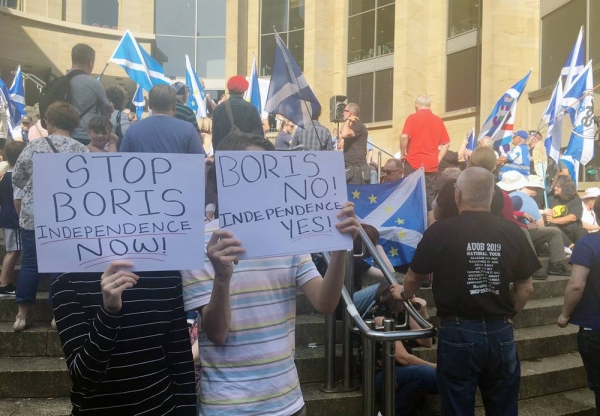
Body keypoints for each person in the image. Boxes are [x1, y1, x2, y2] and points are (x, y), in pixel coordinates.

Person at [182, 132, 360, 416]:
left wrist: (339, 248)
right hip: (228, 407)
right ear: (225, 175)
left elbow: (325, 303)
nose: (262, 179)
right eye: (252, 168)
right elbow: (216, 333)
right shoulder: (200, 243)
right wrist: (222, 277)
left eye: (267, 168)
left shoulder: (287, 236)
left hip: (288, 402)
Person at [393, 167, 539, 415]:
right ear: (492, 195)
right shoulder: (513, 231)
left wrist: (404, 295)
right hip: (500, 330)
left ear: (457, 194)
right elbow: (526, 288)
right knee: (504, 406)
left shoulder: (440, 231)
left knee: (458, 407)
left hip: (458, 331)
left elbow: (413, 277)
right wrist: (508, 317)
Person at [52, 260, 197, 415]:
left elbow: (181, 362)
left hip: (162, 408)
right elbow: (84, 379)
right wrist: (109, 313)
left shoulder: (167, 276)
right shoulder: (67, 282)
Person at [12, 102, 89, 331]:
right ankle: (58, 314)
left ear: (49, 121)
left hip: (33, 216)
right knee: (60, 264)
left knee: (29, 264)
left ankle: (21, 315)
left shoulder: (33, 147)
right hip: (66, 217)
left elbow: (17, 178)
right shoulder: (80, 150)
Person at [360, 283, 437, 416]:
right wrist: (434, 366)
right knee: (426, 374)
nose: (412, 296)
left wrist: (423, 312)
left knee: (443, 380)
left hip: (401, 371)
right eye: (408, 293)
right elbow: (403, 358)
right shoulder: (379, 314)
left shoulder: (403, 311)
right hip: (378, 374)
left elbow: (427, 342)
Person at [557, 195, 600, 412]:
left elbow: (576, 284)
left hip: (595, 326)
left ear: (595, 214)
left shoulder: (588, 244)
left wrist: (565, 315)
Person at [497, 171, 570, 277]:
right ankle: (534, 267)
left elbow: (507, 212)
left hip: (506, 229)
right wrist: (527, 226)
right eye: (538, 188)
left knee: (550, 231)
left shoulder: (505, 195)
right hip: (510, 231)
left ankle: (553, 264)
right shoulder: (513, 197)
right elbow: (509, 219)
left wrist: (521, 213)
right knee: (526, 232)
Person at [119, 85, 205, 154]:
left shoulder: (133, 129)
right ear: (174, 106)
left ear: (149, 105)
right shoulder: (188, 129)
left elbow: (122, 162)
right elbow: (200, 161)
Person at [399, 95, 450, 208]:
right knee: (429, 196)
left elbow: (404, 137)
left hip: (413, 162)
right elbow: (446, 143)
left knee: (410, 194)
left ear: (417, 105)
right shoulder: (438, 120)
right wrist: (438, 159)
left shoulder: (412, 118)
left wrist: (403, 153)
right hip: (431, 165)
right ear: (429, 106)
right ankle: (428, 222)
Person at [68, 44, 113, 145]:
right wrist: (110, 108)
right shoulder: (94, 84)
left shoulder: (60, 82)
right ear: (90, 62)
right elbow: (106, 115)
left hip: (65, 137)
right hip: (86, 137)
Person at [0, 141, 26, 297]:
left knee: (12, 251)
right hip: (13, 220)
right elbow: (18, 200)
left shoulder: (6, 176)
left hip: (7, 217)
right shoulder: (16, 177)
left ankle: (4, 282)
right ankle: (4, 284)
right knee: (13, 251)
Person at [211, 75, 264, 150]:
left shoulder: (218, 109)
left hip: (224, 152)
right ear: (244, 90)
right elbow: (259, 136)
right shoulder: (251, 109)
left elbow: (215, 137)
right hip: (245, 152)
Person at [545, 176, 587, 250]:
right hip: (559, 230)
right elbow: (545, 216)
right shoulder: (551, 199)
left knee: (581, 231)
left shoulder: (576, 200)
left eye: (558, 186)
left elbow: (573, 217)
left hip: (572, 229)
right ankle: (571, 246)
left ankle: (585, 249)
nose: (555, 188)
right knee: (551, 226)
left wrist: (553, 220)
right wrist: (546, 212)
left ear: (566, 188)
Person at [341, 102, 370, 184]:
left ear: (350, 113)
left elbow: (344, 134)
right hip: (350, 168)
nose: (343, 113)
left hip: (356, 170)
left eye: (344, 111)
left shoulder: (358, 125)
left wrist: (348, 120)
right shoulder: (352, 126)